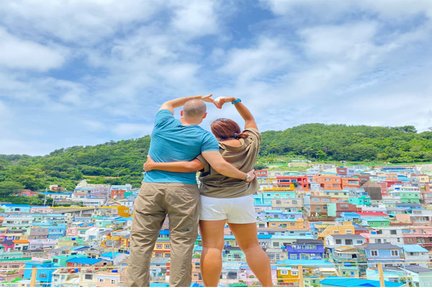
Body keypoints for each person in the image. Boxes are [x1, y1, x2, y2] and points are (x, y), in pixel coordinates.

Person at [127, 94, 256, 287]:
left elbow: (168, 103)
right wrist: (245, 176)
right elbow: (219, 165)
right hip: (183, 191)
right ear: (204, 117)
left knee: (141, 242)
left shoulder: (163, 123)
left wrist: (198, 96)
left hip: (150, 188)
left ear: (181, 113)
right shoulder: (204, 137)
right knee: (181, 243)